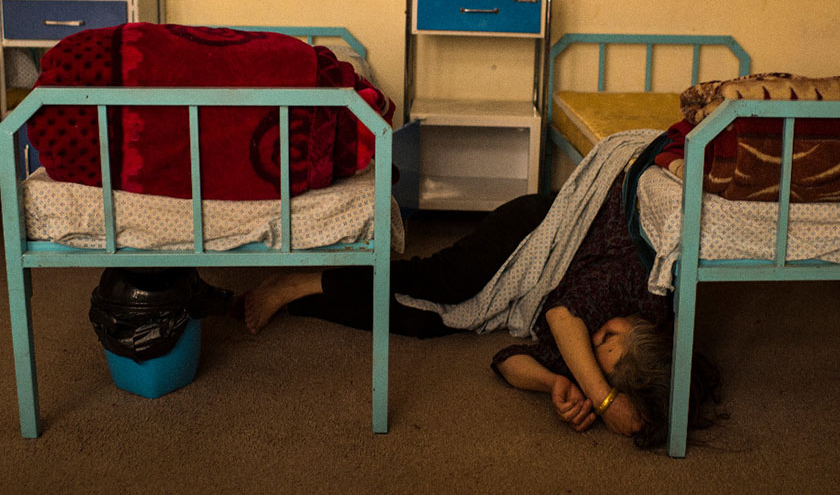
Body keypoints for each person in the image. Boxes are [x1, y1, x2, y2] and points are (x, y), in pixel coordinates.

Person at [240, 172, 721, 448]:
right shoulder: (633, 288)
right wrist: (603, 399)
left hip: (536, 283)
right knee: (448, 282)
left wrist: (556, 382)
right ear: (642, 326)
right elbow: (560, 317)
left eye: (600, 359)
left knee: (423, 322)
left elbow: (506, 360)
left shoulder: (597, 354)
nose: (594, 343)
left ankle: (307, 300)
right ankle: (303, 279)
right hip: (540, 229)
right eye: (608, 340)